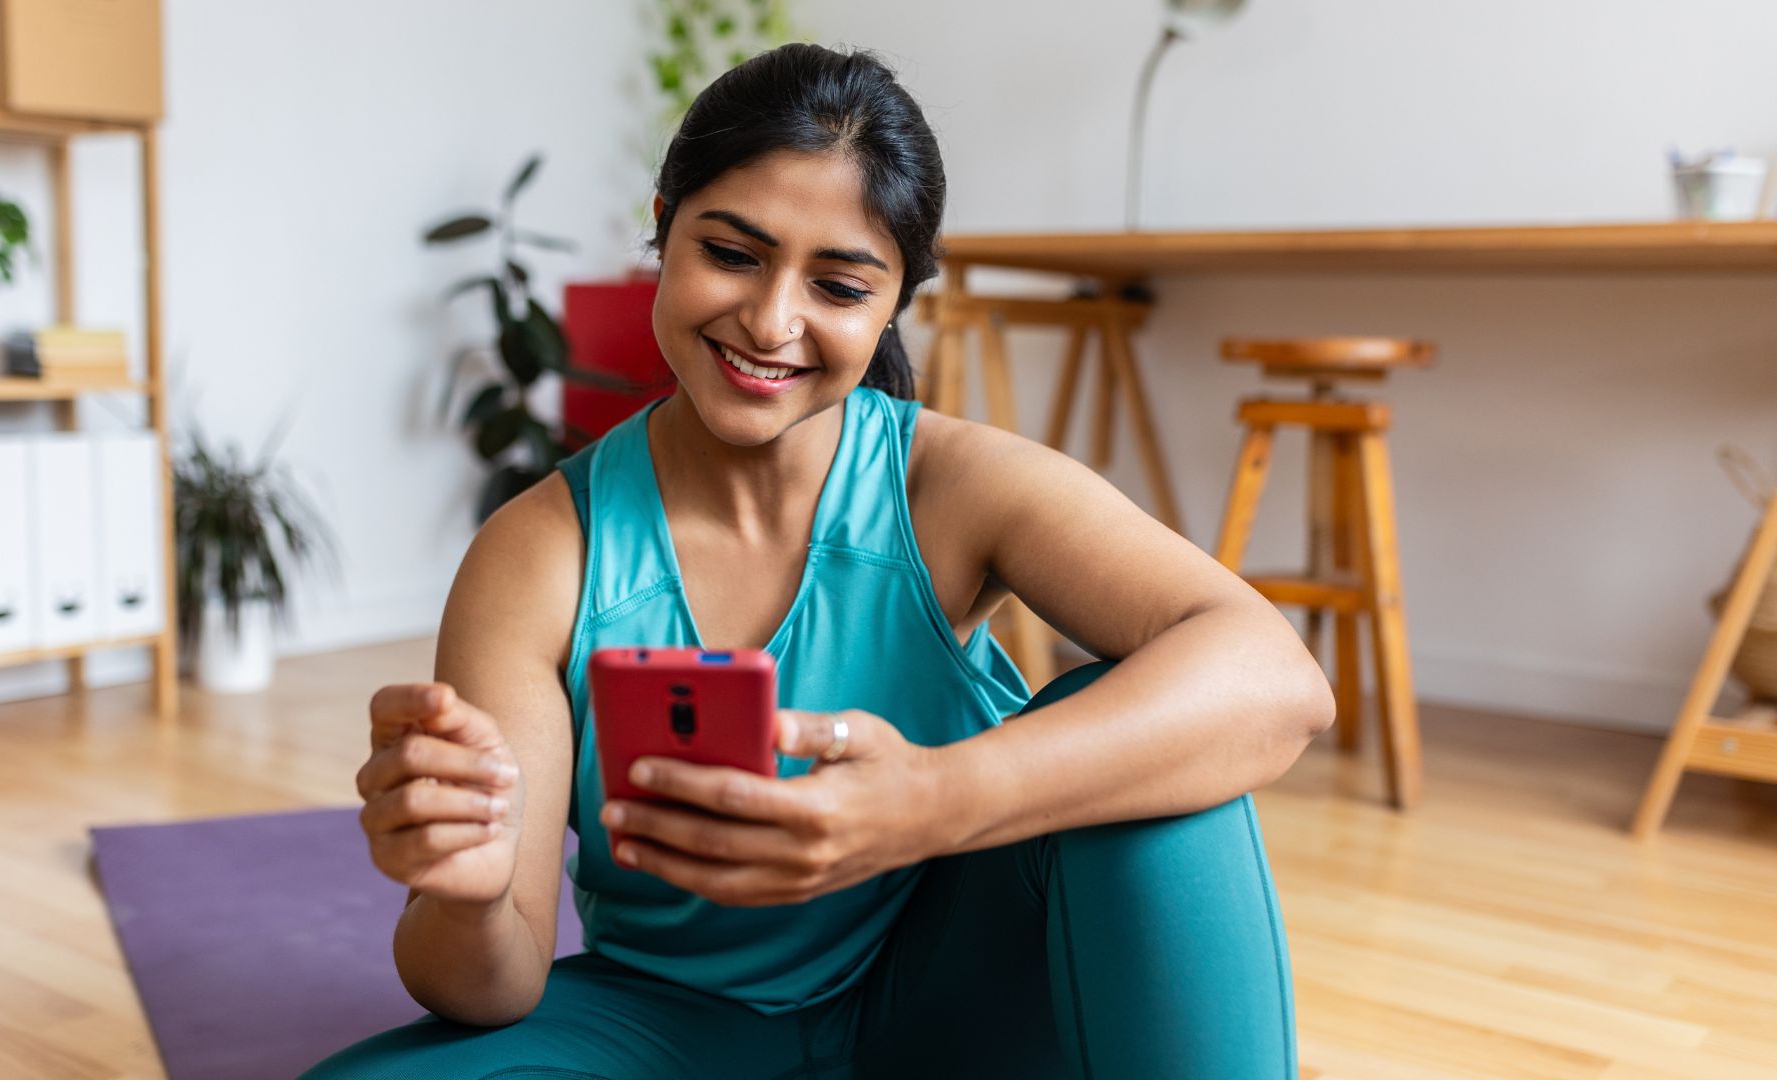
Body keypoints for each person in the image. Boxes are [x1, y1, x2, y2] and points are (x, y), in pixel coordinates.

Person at [306, 42, 1333, 1079]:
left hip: (955, 1008)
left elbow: (1275, 679)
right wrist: (468, 892)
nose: (770, 320)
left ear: (893, 304)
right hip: (668, 1026)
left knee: (1157, 767)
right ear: (661, 226)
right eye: (733, 253)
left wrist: (929, 800)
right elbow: (492, 984)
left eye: (839, 286)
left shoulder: (954, 484)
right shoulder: (538, 555)